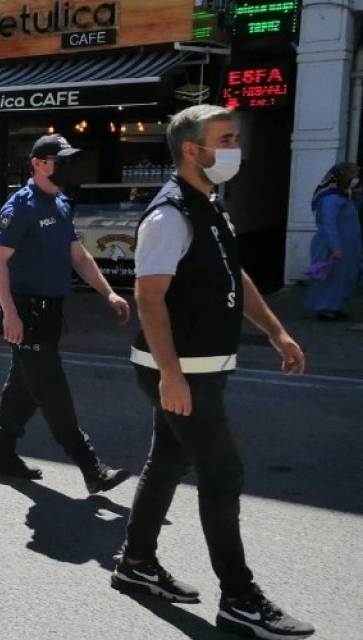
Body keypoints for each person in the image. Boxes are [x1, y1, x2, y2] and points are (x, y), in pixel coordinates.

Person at [110, 105, 315, 639]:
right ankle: (239, 599)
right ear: (191, 150)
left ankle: (135, 563)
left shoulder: (211, 206)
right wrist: (172, 378)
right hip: (182, 374)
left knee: (165, 463)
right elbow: (149, 299)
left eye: (235, 138)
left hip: (201, 368)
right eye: (225, 139)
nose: (234, 149)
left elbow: (235, 275)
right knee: (223, 476)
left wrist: (275, 330)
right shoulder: (169, 214)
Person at [0, 134, 132, 494]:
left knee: (23, 385)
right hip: (28, 312)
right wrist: (10, 314)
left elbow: (78, 256)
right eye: (58, 160)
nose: (66, 166)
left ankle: (0, 455)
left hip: (51, 313)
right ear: (37, 163)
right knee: (51, 388)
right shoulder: (20, 207)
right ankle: (90, 465)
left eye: (68, 160)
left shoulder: (61, 203)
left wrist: (108, 293)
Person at [304, 162, 361, 321]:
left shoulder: (344, 196)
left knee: (343, 276)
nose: (355, 179)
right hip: (332, 246)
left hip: (346, 244)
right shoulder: (330, 198)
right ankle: (324, 309)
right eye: (353, 176)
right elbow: (327, 223)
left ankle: (333, 307)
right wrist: (335, 246)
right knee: (331, 277)